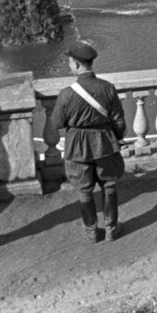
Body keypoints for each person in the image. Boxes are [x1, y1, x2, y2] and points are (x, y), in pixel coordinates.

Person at [50, 42, 127, 242]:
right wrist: (117, 138)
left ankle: (91, 231)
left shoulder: (66, 93)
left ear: (76, 65)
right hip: (104, 142)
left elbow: (57, 122)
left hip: (77, 145)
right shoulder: (107, 88)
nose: (69, 65)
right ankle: (111, 228)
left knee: (84, 189)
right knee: (109, 185)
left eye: (70, 62)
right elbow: (118, 118)